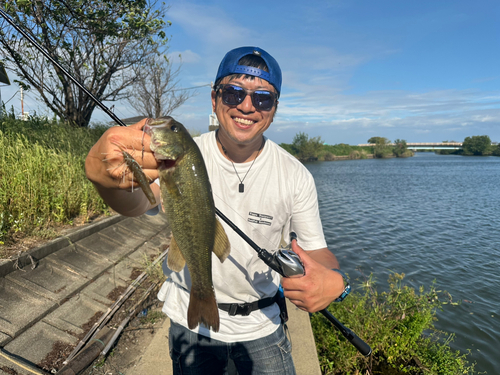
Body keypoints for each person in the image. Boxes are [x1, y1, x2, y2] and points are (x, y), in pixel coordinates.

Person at [85, 46, 349, 375]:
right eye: (233, 93)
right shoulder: (179, 157)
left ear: (274, 109)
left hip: (263, 326)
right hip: (190, 324)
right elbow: (138, 203)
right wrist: (102, 178)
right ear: (214, 99)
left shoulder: (296, 175)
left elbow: (317, 252)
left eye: (262, 98)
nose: (247, 106)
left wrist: (334, 280)